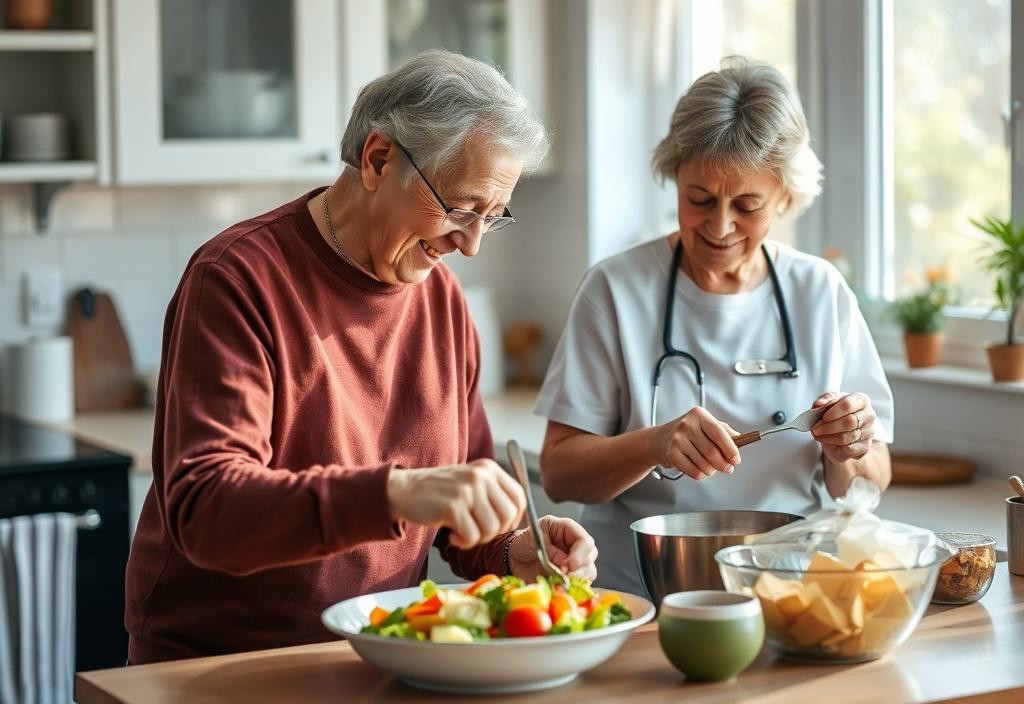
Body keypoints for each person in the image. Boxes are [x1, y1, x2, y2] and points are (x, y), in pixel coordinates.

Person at [125, 50, 597, 663]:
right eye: (460, 207)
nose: (471, 244)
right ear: (378, 160)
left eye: (492, 216)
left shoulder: (444, 301)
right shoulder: (238, 278)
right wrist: (396, 494)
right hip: (220, 663)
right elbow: (208, 510)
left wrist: (511, 550)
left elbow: (461, 500)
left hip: (372, 656)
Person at [535, 58, 893, 594]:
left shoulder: (820, 292)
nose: (719, 226)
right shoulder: (616, 289)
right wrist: (654, 444)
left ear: (786, 197)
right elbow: (561, 474)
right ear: (673, 175)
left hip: (785, 588)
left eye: (747, 205)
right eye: (698, 199)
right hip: (636, 592)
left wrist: (850, 447)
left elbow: (872, 479)